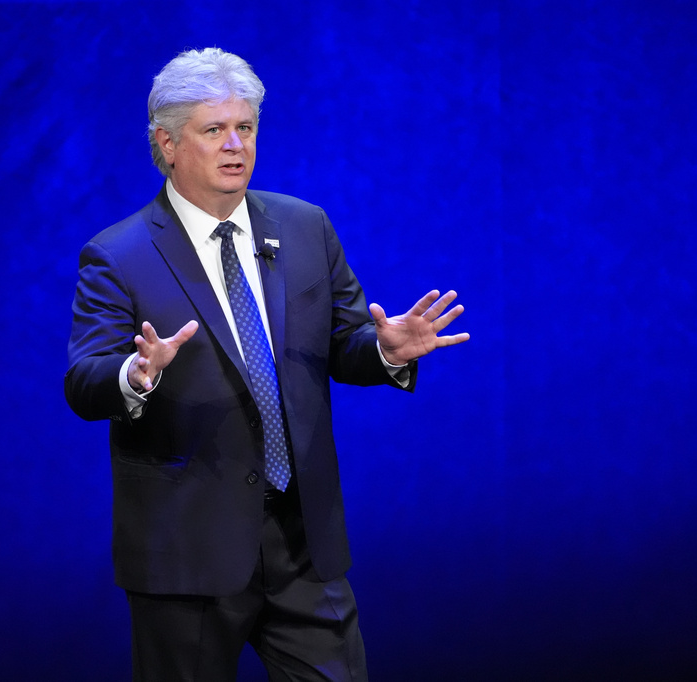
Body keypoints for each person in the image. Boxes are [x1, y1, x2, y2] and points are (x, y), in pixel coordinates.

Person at [65, 47, 469, 681]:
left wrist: (385, 351)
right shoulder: (118, 255)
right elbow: (85, 381)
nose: (236, 145)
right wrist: (135, 376)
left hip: (302, 541)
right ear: (167, 145)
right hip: (188, 552)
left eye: (246, 128)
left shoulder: (305, 227)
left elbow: (344, 341)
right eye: (214, 130)